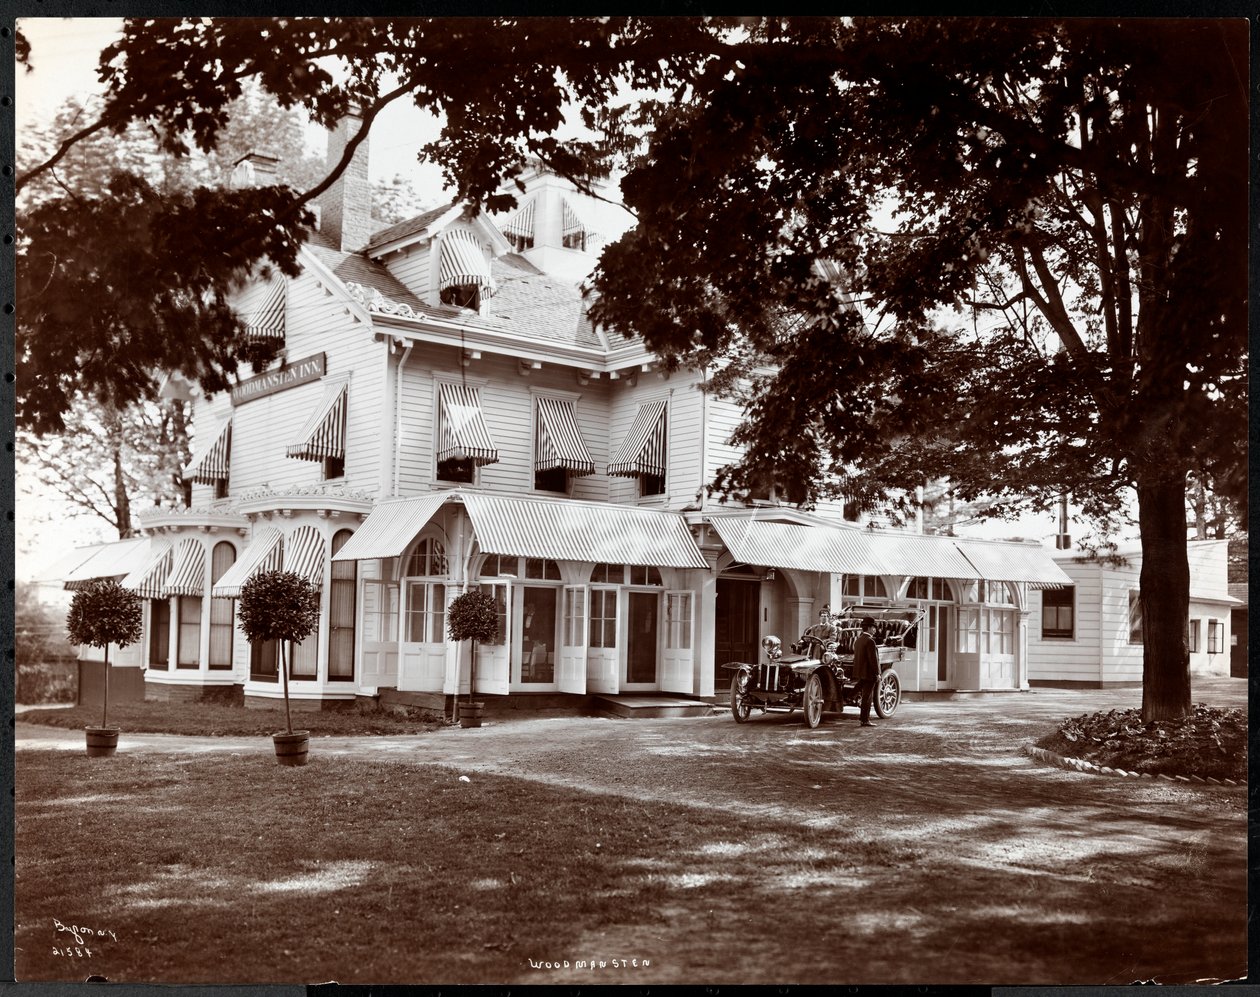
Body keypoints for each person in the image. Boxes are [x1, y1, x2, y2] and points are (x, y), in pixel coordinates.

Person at [852, 615, 880, 727]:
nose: (875, 629)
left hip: (860, 673)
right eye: (874, 627)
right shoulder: (870, 642)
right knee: (867, 697)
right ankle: (864, 720)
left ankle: (851, 695)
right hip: (869, 674)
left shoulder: (858, 641)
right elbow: (873, 660)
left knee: (861, 691)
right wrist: (877, 673)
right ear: (868, 628)